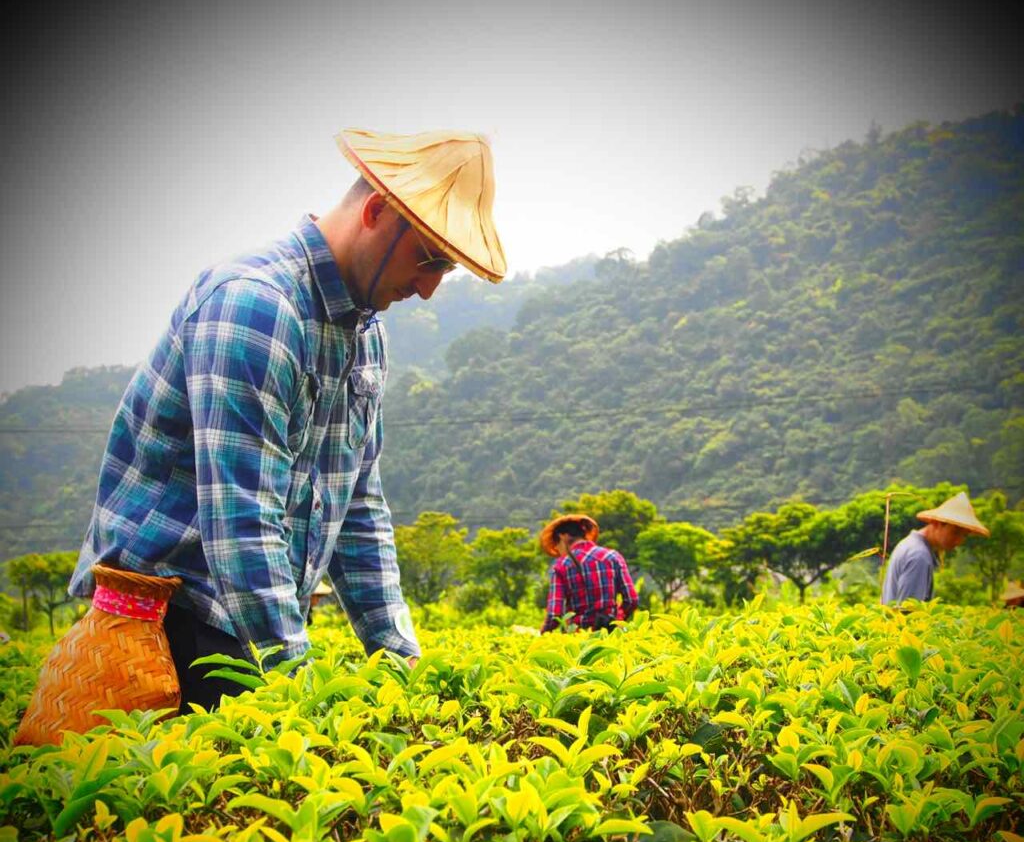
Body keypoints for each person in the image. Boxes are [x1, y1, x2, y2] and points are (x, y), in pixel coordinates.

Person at [68, 128, 506, 710]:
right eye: (427, 260)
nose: (427, 289)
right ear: (376, 210)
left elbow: (358, 505)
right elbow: (241, 518)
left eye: (443, 271)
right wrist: (298, 689)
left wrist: (402, 662)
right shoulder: (256, 304)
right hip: (172, 628)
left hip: (245, 626)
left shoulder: (365, 333)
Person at [881, 491, 989, 606]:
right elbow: (908, 612)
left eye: (965, 535)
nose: (959, 540)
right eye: (955, 532)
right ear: (937, 523)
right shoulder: (919, 556)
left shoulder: (910, 545)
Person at [539, 514, 639, 632]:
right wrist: (618, 618)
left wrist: (543, 634)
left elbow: (554, 615)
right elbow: (632, 599)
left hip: (578, 637)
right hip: (611, 635)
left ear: (563, 536)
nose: (559, 550)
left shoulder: (561, 565)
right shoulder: (612, 557)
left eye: (557, 544)